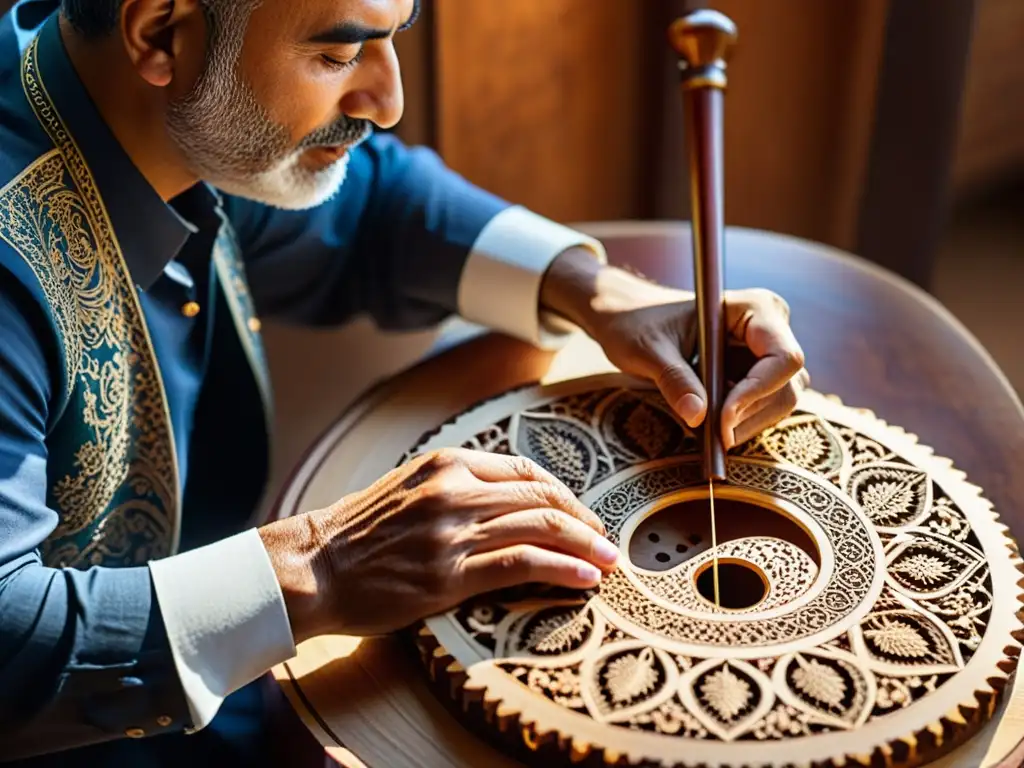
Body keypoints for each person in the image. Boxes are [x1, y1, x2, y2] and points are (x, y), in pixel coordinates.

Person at [0, 0, 809, 764]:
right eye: (339, 52)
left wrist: (605, 294)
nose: (387, 99)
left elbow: (370, 202)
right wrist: (322, 565)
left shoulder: (139, 96)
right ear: (159, 34)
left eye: (395, 33)